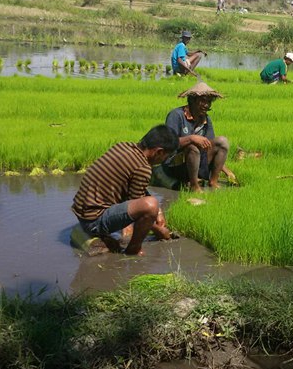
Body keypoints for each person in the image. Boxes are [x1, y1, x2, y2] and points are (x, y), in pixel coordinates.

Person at [72, 125, 179, 256]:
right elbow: (142, 207)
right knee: (151, 205)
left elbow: (138, 191)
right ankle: (133, 249)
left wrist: (159, 212)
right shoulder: (143, 168)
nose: (164, 160)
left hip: (82, 213)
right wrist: (159, 231)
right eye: (166, 157)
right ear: (159, 152)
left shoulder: (124, 146)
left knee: (152, 205)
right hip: (93, 221)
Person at [152, 81, 237, 193]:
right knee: (192, 147)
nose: (206, 105)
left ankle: (213, 181)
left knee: (222, 141)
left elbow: (210, 147)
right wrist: (191, 138)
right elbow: (168, 144)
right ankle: (194, 185)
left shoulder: (206, 119)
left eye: (209, 101)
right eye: (202, 101)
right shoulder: (176, 115)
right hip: (175, 165)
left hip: (199, 163)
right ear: (192, 100)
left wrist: (226, 170)